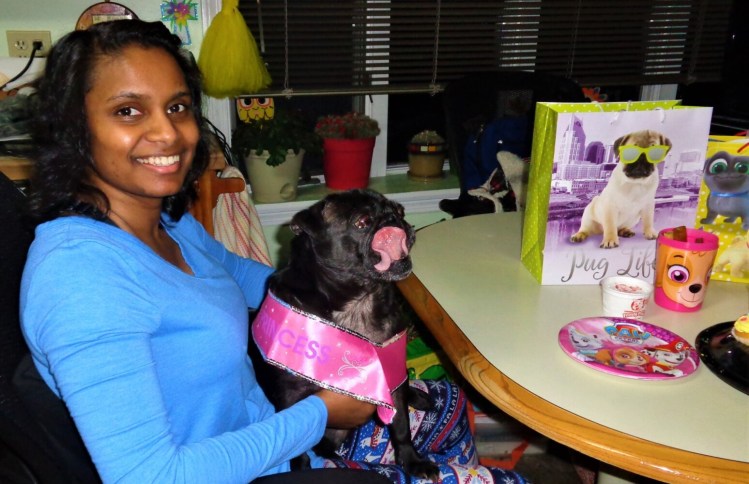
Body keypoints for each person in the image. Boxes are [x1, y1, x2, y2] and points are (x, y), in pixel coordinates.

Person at [20, 19, 526, 484]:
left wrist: (344, 288)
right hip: (250, 465)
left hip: (269, 427)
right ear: (74, 129)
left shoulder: (165, 222)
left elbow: (261, 283)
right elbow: (148, 476)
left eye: (177, 106)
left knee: (448, 403)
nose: (168, 132)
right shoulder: (81, 278)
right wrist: (320, 415)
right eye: (128, 110)